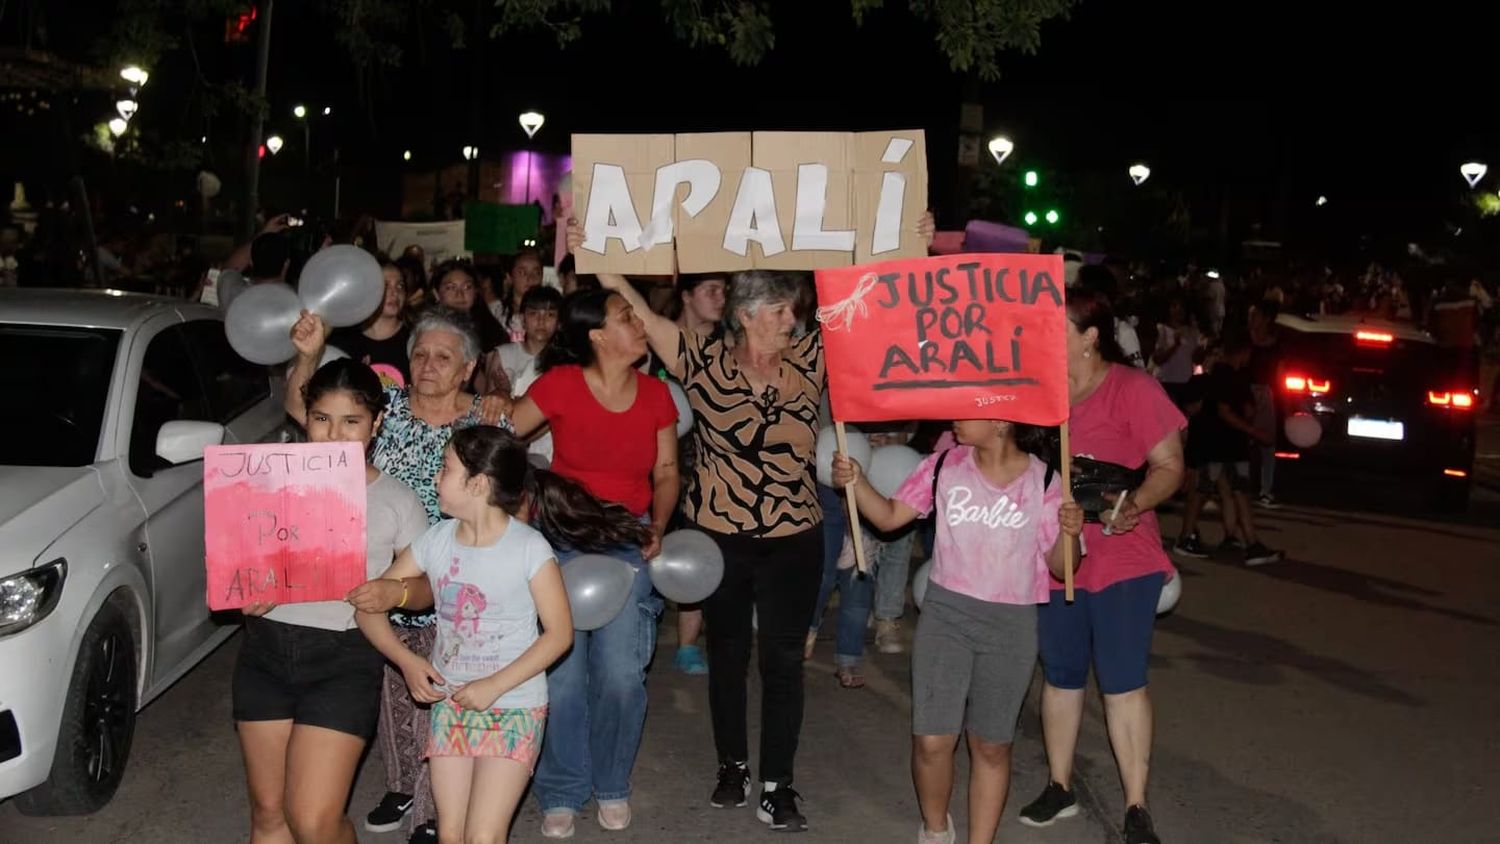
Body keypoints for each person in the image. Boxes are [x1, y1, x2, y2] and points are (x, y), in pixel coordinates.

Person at [287, 307, 504, 844]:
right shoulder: (383, 413)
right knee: (392, 698)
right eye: (420, 354)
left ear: (468, 367)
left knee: (444, 699)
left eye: (443, 357)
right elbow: (305, 407)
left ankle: (435, 812)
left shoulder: (489, 420)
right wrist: (310, 354)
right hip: (379, 581)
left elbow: (510, 489)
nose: (428, 365)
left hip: (456, 585)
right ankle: (403, 784)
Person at [832, 419, 1083, 844]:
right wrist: (856, 483)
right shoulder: (944, 465)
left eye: (968, 409)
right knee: (931, 740)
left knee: (991, 745)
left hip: (1011, 623)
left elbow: (1064, 568)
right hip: (947, 614)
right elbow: (891, 518)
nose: (955, 417)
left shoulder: (1045, 480)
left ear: (1000, 420)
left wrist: (1070, 533)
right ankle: (935, 829)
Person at [503, 289, 680, 838]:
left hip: (627, 542)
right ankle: (561, 788)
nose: (638, 320)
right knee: (564, 676)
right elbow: (504, 437)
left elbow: (668, 471)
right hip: (560, 543)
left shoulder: (656, 396)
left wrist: (659, 525)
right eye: (626, 315)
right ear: (598, 337)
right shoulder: (558, 386)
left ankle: (611, 783)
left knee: (623, 675)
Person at [234, 359, 430, 844]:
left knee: (314, 821)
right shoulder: (266, 481)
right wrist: (246, 591)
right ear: (305, 416)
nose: (334, 434)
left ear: (376, 422)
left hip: (344, 659)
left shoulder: (397, 500)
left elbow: (428, 586)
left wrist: (394, 591)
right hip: (265, 651)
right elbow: (231, 568)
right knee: (268, 814)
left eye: (352, 421)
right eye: (322, 418)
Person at [350, 429, 575, 844]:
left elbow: (560, 635)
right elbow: (369, 607)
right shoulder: (435, 541)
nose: (436, 478)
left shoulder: (529, 548)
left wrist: (493, 685)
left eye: (445, 468)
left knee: (484, 836)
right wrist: (406, 659)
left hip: (515, 706)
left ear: (478, 484)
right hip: (451, 706)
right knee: (450, 833)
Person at [1018, 287, 1185, 844]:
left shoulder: (1133, 388)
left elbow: (1168, 466)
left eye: (1057, 326)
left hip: (1122, 554)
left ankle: (1136, 805)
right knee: (1060, 674)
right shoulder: (1040, 393)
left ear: (1090, 336)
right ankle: (1060, 786)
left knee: (1121, 680)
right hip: (1055, 552)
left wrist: (1133, 505)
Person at [1178, 335, 1283, 566]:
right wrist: (1255, 432)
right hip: (1224, 445)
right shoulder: (1226, 376)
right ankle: (1248, 544)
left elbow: (1237, 408)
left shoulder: (1225, 376)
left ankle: (1231, 537)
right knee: (1218, 492)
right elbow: (1224, 411)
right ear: (1244, 353)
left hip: (1221, 445)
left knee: (1226, 492)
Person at [668, 273, 728, 676]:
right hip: (661, 455)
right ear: (687, 296)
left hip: (713, 457)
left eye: (724, 291)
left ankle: (689, 642)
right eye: (711, 290)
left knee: (700, 545)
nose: (721, 298)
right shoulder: (656, 340)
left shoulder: (730, 342)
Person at [329, 260, 413, 388]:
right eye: (385, 286)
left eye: (400, 286)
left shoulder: (415, 339)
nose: (394, 292)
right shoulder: (342, 339)